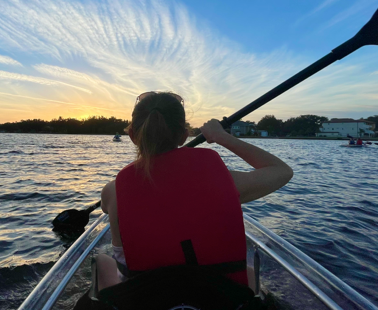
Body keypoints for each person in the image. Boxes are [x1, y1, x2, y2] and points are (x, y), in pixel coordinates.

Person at [95, 92, 293, 295]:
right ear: (184, 135)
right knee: (249, 272)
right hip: (217, 298)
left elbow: (105, 207)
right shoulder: (224, 182)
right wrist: (222, 137)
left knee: (102, 260)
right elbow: (282, 171)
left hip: (144, 298)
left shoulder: (113, 192)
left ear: (132, 136)